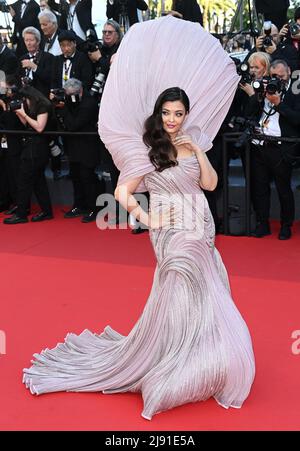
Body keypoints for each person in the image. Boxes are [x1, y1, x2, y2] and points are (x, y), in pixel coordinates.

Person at [23, 16, 255, 419]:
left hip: (199, 221)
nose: (172, 119)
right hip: (168, 227)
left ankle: (198, 351)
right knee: (180, 279)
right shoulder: (146, 151)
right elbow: (121, 193)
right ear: (158, 113)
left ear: (186, 114)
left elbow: (213, 185)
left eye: (179, 113)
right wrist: (146, 219)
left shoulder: (192, 142)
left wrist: (198, 150)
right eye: (167, 112)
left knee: (202, 287)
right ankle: (171, 359)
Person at [4, 85, 54, 224]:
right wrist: (20, 113)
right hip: (31, 147)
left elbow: (39, 127)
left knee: (24, 180)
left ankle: (21, 214)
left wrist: (24, 114)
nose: (24, 102)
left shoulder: (43, 105)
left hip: (37, 149)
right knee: (38, 182)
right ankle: (46, 212)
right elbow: (27, 124)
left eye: (25, 99)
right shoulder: (32, 106)